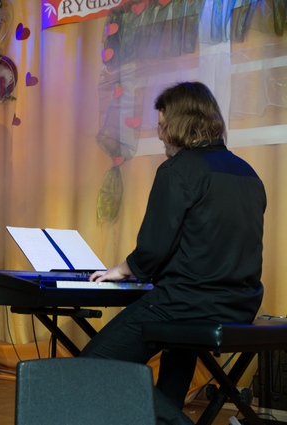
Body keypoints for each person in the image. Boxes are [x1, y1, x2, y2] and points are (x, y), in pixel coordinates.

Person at [82, 81, 266, 425]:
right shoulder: (248, 173)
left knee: (93, 366)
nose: (160, 134)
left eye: (162, 125)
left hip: (186, 304)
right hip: (241, 305)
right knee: (176, 353)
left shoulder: (178, 170)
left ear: (179, 123)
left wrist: (124, 269)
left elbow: (153, 248)